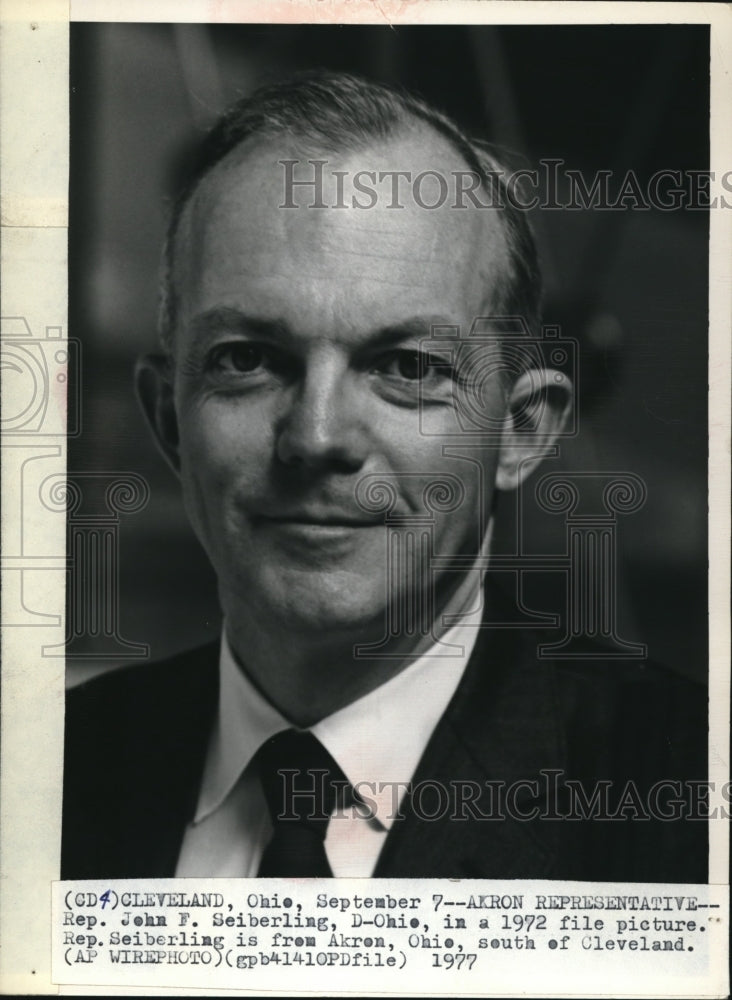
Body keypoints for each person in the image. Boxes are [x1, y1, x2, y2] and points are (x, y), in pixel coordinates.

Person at [62, 71, 707, 881]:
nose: (318, 436)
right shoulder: (41, 777)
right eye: (249, 361)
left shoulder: (686, 801)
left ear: (519, 429)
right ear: (167, 421)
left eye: (406, 365)